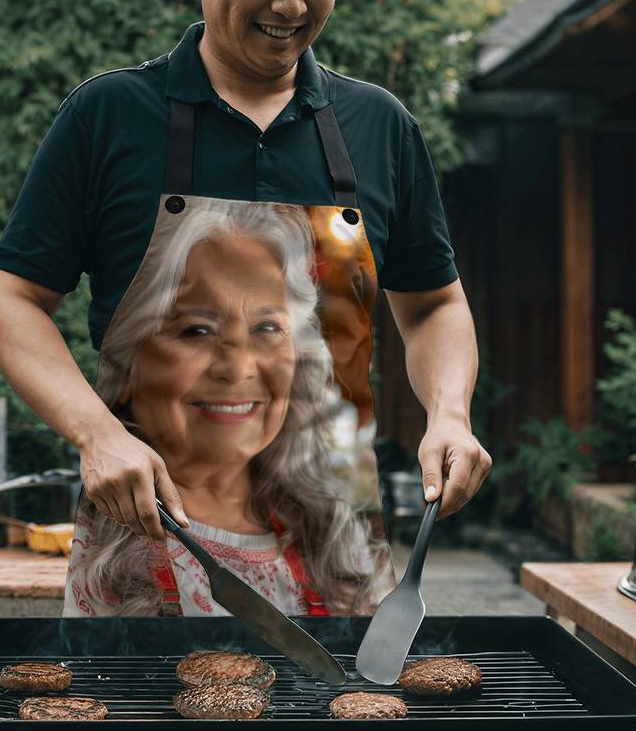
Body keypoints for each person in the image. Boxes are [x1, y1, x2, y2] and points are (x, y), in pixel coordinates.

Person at [0, 0, 491, 615]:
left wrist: (449, 413)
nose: (291, 3)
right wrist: (96, 434)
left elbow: (433, 305)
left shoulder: (378, 127)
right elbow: (13, 301)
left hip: (341, 570)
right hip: (136, 562)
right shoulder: (109, 116)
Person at [64, 199, 394, 616]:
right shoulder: (98, 557)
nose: (238, 369)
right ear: (127, 363)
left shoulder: (334, 536)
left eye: (268, 327)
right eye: (196, 330)